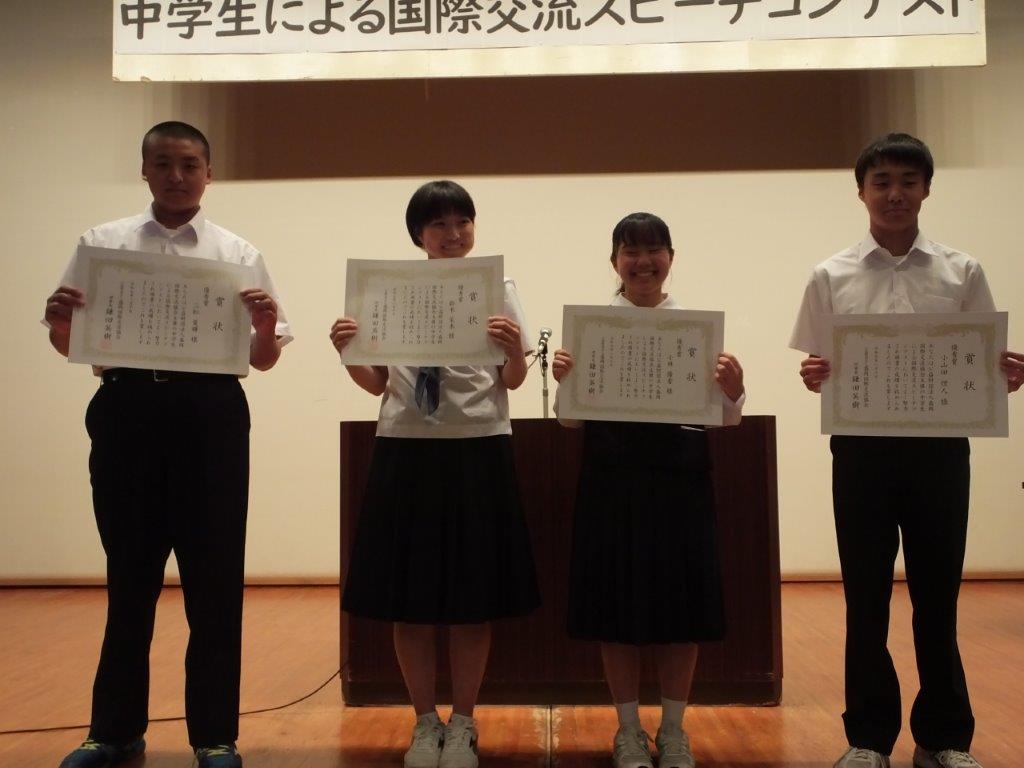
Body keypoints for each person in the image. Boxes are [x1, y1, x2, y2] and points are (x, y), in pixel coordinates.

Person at [42, 121, 291, 768]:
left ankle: (215, 736)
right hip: (126, 410)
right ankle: (114, 731)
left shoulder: (237, 253)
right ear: (145, 170)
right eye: (163, 163)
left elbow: (263, 358)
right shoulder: (103, 244)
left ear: (209, 173)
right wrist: (61, 323)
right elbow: (70, 344)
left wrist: (265, 327)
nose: (176, 176)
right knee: (129, 575)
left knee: (215, 581)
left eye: (189, 164)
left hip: (211, 415)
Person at [790, 132, 1024, 768]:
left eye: (908, 181)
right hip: (861, 453)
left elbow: (982, 359)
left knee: (938, 597)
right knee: (865, 598)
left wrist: (1004, 375)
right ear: (861, 191)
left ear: (926, 189)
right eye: (882, 181)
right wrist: (814, 375)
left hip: (939, 454)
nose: (895, 193)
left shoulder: (961, 270)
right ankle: (867, 738)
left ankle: (944, 737)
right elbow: (817, 365)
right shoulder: (829, 274)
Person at [329, 180, 539, 768]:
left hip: (478, 443)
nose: (453, 234)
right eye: (440, 224)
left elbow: (514, 380)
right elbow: (376, 383)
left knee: (474, 598)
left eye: (462, 222)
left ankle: (464, 723)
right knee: (409, 599)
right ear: (418, 234)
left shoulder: (498, 288)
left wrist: (514, 349)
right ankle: (425, 723)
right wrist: (347, 353)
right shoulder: (386, 289)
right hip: (406, 444)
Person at [551, 212, 745, 768]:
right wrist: (566, 380)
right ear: (614, 261)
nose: (643, 261)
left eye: (654, 249)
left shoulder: (694, 330)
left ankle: (675, 732)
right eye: (630, 251)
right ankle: (629, 731)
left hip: (681, 483)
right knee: (616, 612)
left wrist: (734, 389)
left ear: (670, 258)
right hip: (611, 483)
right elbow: (569, 420)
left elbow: (725, 419)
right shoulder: (591, 330)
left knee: (683, 613)